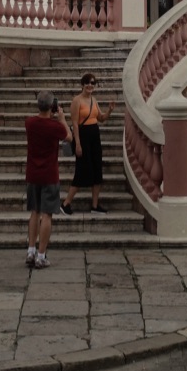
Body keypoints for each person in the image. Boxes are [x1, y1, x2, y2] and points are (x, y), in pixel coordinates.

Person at [25, 91, 72, 269]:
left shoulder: (29, 122)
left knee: (34, 212)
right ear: (52, 106)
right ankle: (41, 255)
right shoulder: (55, 127)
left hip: (32, 173)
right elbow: (69, 137)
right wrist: (62, 118)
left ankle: (30, 251)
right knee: (47, 215)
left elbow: (38, 121)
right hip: (49, 174)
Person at [60, 73, 114, 215]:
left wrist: (109, 110)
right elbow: (75, 124)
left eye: (93, 83)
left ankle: (95, 206)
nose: (90, 85)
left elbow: (101, 118)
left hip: (95, 136)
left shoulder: (94, 100)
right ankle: (66, 203)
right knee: (82, 171)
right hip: (83, 137)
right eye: (88, 83)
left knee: (97, 171)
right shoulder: (76, 100)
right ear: (82, 84)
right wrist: (78, 144)